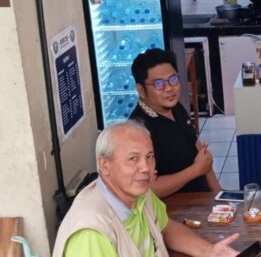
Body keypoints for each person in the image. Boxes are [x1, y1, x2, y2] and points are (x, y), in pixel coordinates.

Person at [53, 121, 239, 257]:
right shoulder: (91, 233)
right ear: (104, 165)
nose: (145, 168)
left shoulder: (139, 194)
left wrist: (209, 252)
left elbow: (166, 227)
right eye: (133, 158)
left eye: (149, 157)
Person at [130, 48, 220, 197]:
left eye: (173, 80)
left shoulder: (175, 107)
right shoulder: (137, 131)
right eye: (158, 84)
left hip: (201, 200)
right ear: (141, 89)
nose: (169, 88)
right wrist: (196, 170)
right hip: (173, 207)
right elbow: (149, 188)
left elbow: (201, 155)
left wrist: (220, 196)